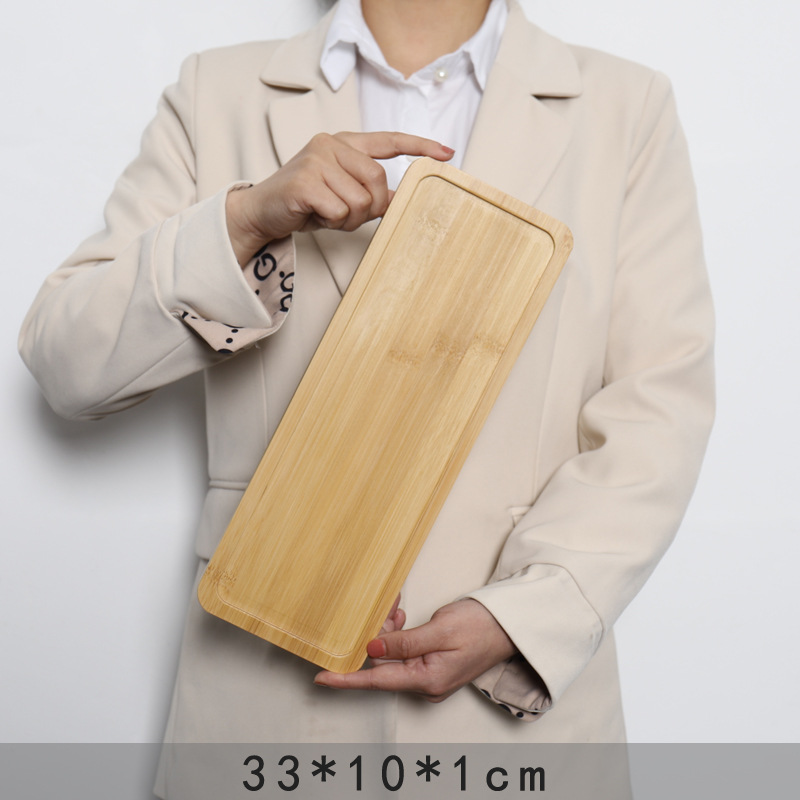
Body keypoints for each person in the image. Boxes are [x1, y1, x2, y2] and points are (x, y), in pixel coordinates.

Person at [18, 0, 714, 795]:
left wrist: (529, 615)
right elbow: (65, 362)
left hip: (511, 728)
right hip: (262, 690)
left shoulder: (627, 106)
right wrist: (243, 222)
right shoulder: (217, 93)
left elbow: (661, 404)